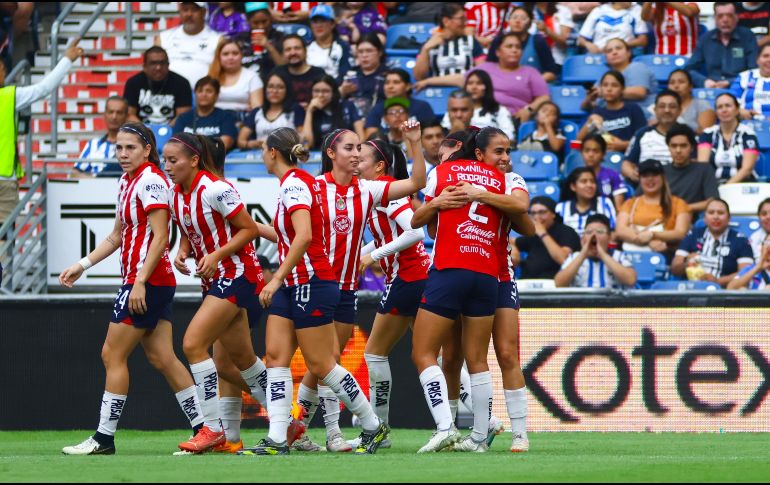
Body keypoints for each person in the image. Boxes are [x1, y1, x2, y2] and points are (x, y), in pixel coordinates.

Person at [58, 123, 206, 456]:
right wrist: (82, 264)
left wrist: (139, 281)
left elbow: (161, 236)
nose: (123, 154)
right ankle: (205, 429)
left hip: (147, 281)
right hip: (150, 281)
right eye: (119, 148)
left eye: (130, 148)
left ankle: (104, 438)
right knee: (163, 357)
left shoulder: (151, 180)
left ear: (147, 150)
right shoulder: (127, 181)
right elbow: (116, 235)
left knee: (112, 354)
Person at [294, 123, 428, 452]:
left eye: (359, 149)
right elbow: (291, 229)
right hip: (318, 284)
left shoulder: (368, 190)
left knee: (327, 363)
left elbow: (417, 184)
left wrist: (414, 143)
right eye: (350, 148)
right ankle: (331, 432)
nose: (356, 154)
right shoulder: (313, 187)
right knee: (321, 363)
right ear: (331, 154)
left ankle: (309, 431)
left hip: (347, 289)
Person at [409, 127, 530, 453]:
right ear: (479, 153)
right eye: (499, 151)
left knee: (496, 354)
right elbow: (430, 225)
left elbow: (417, 222)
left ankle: (456, 428)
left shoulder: (457, 174)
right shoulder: (499, 180)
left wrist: (477, 195)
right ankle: (475, 434)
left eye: (507, 151)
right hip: (487, 273)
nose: (505, 158)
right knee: (463, 357)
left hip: (466, 271)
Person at [161, 130, 268, 454]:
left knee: (193, 344)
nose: (167, 166)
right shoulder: (175, 193)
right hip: (215, 278)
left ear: (194, 160)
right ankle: (288, 420)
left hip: (238, 274)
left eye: (173, 160)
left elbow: (249, 229)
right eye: (165, 160)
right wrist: (183, 251)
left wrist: (216, 255)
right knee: (242, 360)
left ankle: (212, 429)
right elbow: (189, 228)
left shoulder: (216, 189)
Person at [353, 138, 431, 447]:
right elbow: (390, 234)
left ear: (379, 166)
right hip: (419, 277)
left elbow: (414, 232)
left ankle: (379, 428)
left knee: (374, 353)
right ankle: (487, 421)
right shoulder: (376, 192)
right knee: (431, 356)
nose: (355, 162)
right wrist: (362, 253)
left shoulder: (386, 190)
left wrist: (372, 256)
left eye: (361, 158)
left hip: (407, 278)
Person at [0, 38, 82, 228]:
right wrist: (67, 59)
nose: (4, 72)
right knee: (5, 238)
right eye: (1, 69)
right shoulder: (8, 96)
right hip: (4, 181)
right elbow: (44, 88)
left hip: (5, 179)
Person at [672, 199, 754, 288]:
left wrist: (717, 281)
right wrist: (687, 263)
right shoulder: (693, 235)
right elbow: (675, 269)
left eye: (720, 213)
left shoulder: (740, 240)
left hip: (725, 290)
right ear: (705, 218)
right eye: (711, 213)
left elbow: (746, 273)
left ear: (729, 218)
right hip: (692, 288)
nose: (715, 217)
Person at [616, 159, 691, 256]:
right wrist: (645, 240)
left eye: (655, 175)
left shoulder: (679, 203)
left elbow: (680, 233)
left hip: (664, 255)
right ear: (640, 179)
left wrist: (653, 235)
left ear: (663, 177)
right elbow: (620, 230)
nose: (650, 179)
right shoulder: (630, 203)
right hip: (631, 255)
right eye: (645, 176)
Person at [470, 32, 550, 121]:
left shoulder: (531, 72)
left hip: (515, 119)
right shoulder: (485, 68)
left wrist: (529, 110)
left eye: (518, 47)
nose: (514, 50)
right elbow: (463, 80)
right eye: (509, 46)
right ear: (498, 52)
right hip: (482, 117)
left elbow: (544, 97)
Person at [685, 2, 758, 89]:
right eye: (720, 16)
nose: (725, 20)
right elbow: (689, 69)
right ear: (715, 18)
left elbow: (754, 70)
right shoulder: (706, 38)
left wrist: (730, 82)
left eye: (729, 15)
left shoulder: (747, 36)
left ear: (737, 17)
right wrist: (704, 81)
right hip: (711, 88)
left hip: (739, 87)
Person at [554, 214, 637, 288]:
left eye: (600, 232)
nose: (594, 235)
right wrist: (583, 255)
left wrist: (603, 255)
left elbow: (630, 280)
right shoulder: (574, 257)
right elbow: (559, 284)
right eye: (589, 232)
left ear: (609, 238)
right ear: (583, 238)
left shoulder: (618, 256)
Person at [413, 4, 484, 90]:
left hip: (466, 91)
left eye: (465, 19)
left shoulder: (471, 41)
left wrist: (428, 81)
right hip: (437, 92)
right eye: (461, 19)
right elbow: (419, 77)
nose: (465, 23)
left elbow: (481, 74)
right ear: (446, 21)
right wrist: (425, 50)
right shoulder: (429, 44)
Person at [156, 2, 222, 91]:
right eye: (185, 10)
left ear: (204, 12)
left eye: (194, 10)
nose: (189, 14)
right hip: (168, 93)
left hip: (202, 94)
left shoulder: (217, 40)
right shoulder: (163, 38)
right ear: (180, 12)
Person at [512, 196, 582, 279]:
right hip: (528, 282)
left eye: (542, 212)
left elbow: (564, 260)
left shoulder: (566, 232)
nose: (536, 217)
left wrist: (543, 233)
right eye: (533, 213)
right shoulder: (533, 234)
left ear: (553, 214)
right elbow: (510, 242)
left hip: (556, 283)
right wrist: (514, 252)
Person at [697, 93, 760, 184]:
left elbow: (747, 169)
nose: (724, 110)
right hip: (713, 184)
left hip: (742, 184)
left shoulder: (748, 134)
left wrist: (726, 187)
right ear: (716, 112)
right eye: (720, 107)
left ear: (737, 109)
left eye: (728, 106)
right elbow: (703, 166)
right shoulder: (707, 134)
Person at [578, 71, 647, 154]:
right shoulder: (597, 112)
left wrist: (624, 145)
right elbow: (575, 145)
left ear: (622, 89)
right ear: (601, 88)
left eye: (614, 85)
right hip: (603, 157)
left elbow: (645, 140)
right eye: (605, 85)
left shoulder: (633, 109)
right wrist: (589, 123)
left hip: (629, 156)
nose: (609, 89)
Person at [622, 90, 683, 183]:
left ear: (680, 110)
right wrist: (633, 174)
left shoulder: (688, 135)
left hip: (678, 184)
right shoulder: (641, 134)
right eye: (662, 106)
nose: (667, 110)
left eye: (672, 106)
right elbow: (626, 164)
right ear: (655, 110)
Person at [124, 46, 193, 126]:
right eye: (153, 63)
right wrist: (145, 131)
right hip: (140, 129)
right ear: (144, 67)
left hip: (172, 130)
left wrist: (164, 131)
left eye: (162, 63)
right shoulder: (133, 83)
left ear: (168, 65)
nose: (158, 67)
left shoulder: (182, 83)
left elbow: (182, 117)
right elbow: (129, 115)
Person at [237, 71, 303, 150]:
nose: (274, 91)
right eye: (270, 87)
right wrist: (253, 144)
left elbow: (304, 139)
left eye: (280, 87)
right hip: (260, 155)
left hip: (287, 155)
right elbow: (240, 141)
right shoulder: (257, 112)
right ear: (265, 90)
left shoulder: (295, 110)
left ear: (287, 90)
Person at [441, 70, 515, 140]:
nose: (474, 87)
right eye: (470, 83)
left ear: (487, 86)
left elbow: (509, 137)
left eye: (479, 83)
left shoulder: (499, 110)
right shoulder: (455, 110)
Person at [662, 123, 719, 214]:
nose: (678, 150)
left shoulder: (704, 170)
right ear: (668, 148)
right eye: (674, 146)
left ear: (692, 148)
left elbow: (712, 201)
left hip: (695, 218)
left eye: (683, 146)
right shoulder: (660, 172)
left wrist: (683, 208)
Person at [364, 68, 436, 139]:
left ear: (408, 86)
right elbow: (371, 136)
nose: (390, 86)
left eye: (396, 82)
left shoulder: (422, 106)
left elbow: (431, 133)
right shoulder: (377, 108)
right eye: (387, 83)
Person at [494, 6, 558, 83]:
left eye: (523, 18)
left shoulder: (538, 41)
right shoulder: (499, 41)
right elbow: (489, 68)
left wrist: (532, 82)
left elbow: (551, 73)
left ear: (530, 24)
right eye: (514, 17)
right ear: (509, 22)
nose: (517, 21)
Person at [173, 76, 238, 151]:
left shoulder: (225, 117)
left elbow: (225, 143)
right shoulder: (183, 118)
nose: (204, 94)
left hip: (214, 157)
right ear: (195, 94)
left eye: (209, 91)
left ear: (216, 95)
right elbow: (176, 144)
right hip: (187, 157)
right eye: (200, 91)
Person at [301, 75, 364, 150]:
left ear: (333, 92)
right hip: (318, 154)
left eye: (326, 91)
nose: (320, 95)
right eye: (316, 91)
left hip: (346, 152)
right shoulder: (304, 109)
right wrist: (309, 112)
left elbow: (361, 138)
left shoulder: (348, 106)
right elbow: (307, 144)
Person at [71, 96, 128, 178]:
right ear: (105, 115)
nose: (114, 117)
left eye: (119, 113)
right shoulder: (93, 144)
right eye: (111, 112)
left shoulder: (132, 146)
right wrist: (95, 182)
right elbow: (75, 172)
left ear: (126, 116)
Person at [268, 34, 326, 108]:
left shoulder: (318, 73)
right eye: (288, 49)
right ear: (283, 54)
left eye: (297, 48)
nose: (293, 53)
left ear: (305, 51)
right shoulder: (277, 73)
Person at [209, 38, 263, 115]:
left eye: (235, 53)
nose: (230, 57)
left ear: (241, 55)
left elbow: (256, 110)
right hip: (213, 118)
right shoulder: (211, 76)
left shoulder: (252, 77)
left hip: (241, 119)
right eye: (225, 54)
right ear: (219, 56)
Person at [557, 167, 617, 236]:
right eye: (584, 181)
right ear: (573, 186)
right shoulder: (561, 207)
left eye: (592, 181)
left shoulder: (605, 203)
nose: (589, 185)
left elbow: (612, 232)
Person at [603, 38, 658, 112]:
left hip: (645, 113)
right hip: (618, 116)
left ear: (628, 53)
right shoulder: (606, 76)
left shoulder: (637, 67)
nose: (614, 52)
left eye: (618, 48)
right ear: (606, 58)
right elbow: (594, 102)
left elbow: (639, 93)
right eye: (609, 51)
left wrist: (604, 92)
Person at [339, 33, 387, 119]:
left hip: (379, 119)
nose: (364, 55)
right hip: (350, 120)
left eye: (369, 51)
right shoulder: (349, 74)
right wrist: (342, 92)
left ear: (380, 52)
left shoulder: (388, 75)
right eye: (360, 52)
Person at [306, 4, 353, 84]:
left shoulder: (343, 46)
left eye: (323, 21)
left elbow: (346, 73)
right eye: (315, 22)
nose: (319, 25)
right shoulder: (306, 48)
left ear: (332, 24)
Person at [238, 2, 285, 82]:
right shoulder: (241, 39)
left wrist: (268, 46)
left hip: (272, 83)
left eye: (264, 21)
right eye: (255, 23)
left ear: (270, 19)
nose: (261, 26)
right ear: (248, 21)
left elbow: (284, 68)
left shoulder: (280, 37)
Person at [579, 134, 627, 210]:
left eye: (595, 151)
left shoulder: (613, 176)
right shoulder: (576, 177)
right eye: (587, 150)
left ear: (603, 154)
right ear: (581, 153)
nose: (591, 155)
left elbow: (619, 209)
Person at [578, 2, 649, 53]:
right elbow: (581, 40)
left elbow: (642, 40)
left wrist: (616, 47)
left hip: (624, 54)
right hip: (599, 53)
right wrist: (589, 45)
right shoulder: (598, 10)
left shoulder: (636, 9)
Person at [663, 69, 716, 134]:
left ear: (690, 86)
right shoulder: (662, 105)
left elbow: (705, 133)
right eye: (672, 83)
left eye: (681, 82)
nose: (676, 86)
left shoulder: (702, 104)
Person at [731, 44, 770, 120]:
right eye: (765, 56)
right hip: (746, 123)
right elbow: (730, 101)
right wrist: (739, 110)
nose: (769, 60)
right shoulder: (744, 77)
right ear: (757, 59)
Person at [531, 2, 575, 67]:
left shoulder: (562, 10)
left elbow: (565, 42)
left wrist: (546, 30)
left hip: (556, 60)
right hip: (531, 60)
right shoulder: (527, 11)